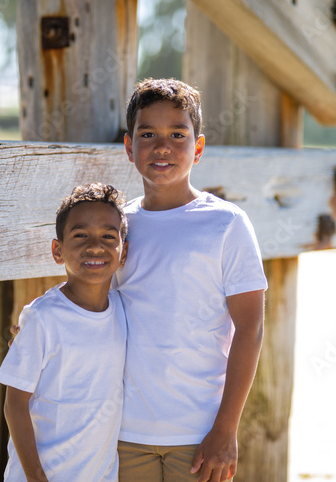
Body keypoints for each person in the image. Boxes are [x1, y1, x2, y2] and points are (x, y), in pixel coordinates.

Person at [112, 78, 268, 482]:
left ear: (197, 148)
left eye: (177, 134)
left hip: (200, 433)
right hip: (123, 430)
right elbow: (93, 309)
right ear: (129, 147)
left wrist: (226, 428)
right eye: (148, 134)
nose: (162, 146)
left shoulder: (226, 223)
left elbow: (250, 329)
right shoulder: (116, 227)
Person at [0, 183, 129, 482]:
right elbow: (14, 404)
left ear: (124, 252)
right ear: (58, 250)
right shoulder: (42, 318)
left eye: (108, 236)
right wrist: (35, 476)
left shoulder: (124, 310)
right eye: (80, 235)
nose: (95, 246)